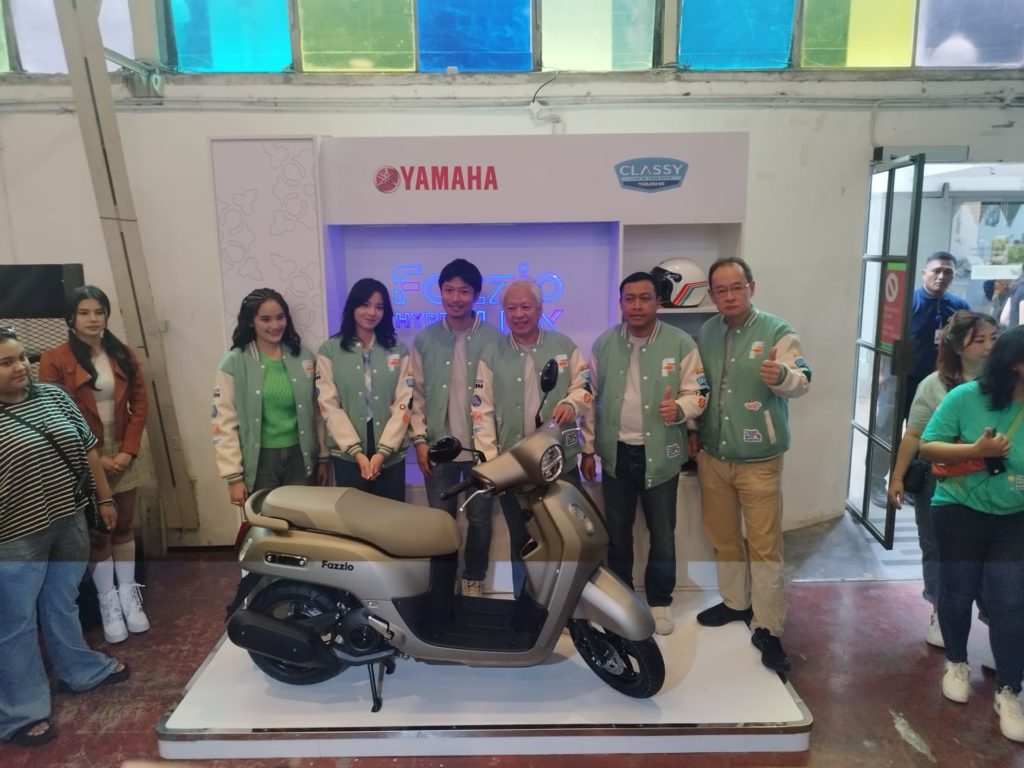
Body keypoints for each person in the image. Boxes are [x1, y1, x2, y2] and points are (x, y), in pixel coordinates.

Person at [0, 327, 130, 749]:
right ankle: (21, 711)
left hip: (67, 518)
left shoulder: (53, 396)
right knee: (15, 622)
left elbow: (88, 449)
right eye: (6, 362)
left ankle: (79, 670)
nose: (20, 367)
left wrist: (104, 499)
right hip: (12, 535)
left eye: (22, 357)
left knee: (62, 601)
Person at [691, 257, 811, 672]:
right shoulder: (707, 331)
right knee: (723, 538)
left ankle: (768, 627)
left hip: (760, 461)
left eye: (736, 287)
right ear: (711, 294)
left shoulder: (778, 331)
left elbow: (802, 380)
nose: (729, 296)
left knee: (764, 547)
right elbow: (700, 387)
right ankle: (735, 603)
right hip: (713, 456)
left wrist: (781, 376)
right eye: (721, 290)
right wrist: (693, 430)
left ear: (751, 288)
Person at [580, 271, 706, 635]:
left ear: (658, 302)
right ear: (620, 303)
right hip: (616, 454)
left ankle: (660, 600)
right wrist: (588, 449)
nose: (637, 305)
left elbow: (698, 392)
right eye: (630, 298)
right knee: (617, 534)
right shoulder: (604, 344)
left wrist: (679, 409)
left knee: (662, 533)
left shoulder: (681, 343)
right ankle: (621, 599)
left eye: (645, 298)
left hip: (661, 453)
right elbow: (589, 399)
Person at [919, 325, 1024, 743]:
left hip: (1015, 516)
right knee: (958, 590)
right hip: (959, 508)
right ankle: (957, 663)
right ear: (1016, 365)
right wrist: (976, 451)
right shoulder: (965, 397)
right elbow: (928, 446)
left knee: (1010, 600)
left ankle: (1009, 689)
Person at [38, 286, 150, 645]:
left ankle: (129, 595)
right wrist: (95, 455)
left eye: (98, 311)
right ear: (71, 318)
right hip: (82, 449)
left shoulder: (122, 353)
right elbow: (52, 412)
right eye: (84, 312)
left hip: (124, 446)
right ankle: (108, 602)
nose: (92, 319)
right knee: (99, 532)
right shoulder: (54, 359)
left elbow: (140, 403)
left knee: (125, 525)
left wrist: (128, 450)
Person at [472, 279, 593, 596]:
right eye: (511, 308)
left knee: (569, 534)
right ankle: (525, 601)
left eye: (526, 306)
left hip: (559, 461)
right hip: (513, 466)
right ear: (504, 312)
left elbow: (585, 388)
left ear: (539, 309)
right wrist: (492, 464)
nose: (519, 314)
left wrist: (571, 403)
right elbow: (481, 410)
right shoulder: (492, 353)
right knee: (523, 538)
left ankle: (570, 601)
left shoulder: (564, 346)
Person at [887, 311, 997, 648]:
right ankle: (940, 611)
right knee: (936, 547)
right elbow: (914, 435)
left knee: (992, 554)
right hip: (941, 482)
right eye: (980, 340)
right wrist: (897, 477)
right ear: (957, 346)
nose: (989, 347)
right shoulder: (933, 386)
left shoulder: (1008, 384)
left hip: (992, 483)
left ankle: (996, 624)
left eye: (994, 338)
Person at [409, 258, 502, 597]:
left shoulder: (494, 339)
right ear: (440, 292)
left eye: (464, 291)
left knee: (480, 519)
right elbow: (417, 395)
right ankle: (442, 585)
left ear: (475, 295)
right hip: (439, 450)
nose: (455, 297)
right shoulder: (425, 340)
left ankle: (474, 579)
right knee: (440, 522)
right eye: (449, 290)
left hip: (481, 451)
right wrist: (420, 441)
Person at [212, 288, 328, 514]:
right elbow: (223, 421)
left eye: (280, 317)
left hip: (301, 458)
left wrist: (323, 457)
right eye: (265, 319)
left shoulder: (303, 357)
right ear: (251, 321)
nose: (275, 325)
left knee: (301, 521)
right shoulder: (234, 363)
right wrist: (233, 477)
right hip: (260, 462)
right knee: (265, 523)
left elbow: (318, 412)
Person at [871, 252, 970, 507]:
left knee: (925, 434)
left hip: (936, 384)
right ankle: (875, 483)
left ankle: (911, 484)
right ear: (924, 273)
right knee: (887, 430)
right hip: (901, 379)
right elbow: (887, 337)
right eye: (937, 270)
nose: (941, 276)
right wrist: (882, 374)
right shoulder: (907, 302)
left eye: (948, 272)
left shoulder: (959, 307)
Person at [317, 278, 412, 501]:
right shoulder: (330, 350)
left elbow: (404, 401)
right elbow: (329, 405)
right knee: (353, 517)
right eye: (365, 305)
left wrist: (383, 452)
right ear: (353, 307)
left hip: (390, 454)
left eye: (379, 307)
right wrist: (357, 453)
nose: (372, 312)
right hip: (347, 455)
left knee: (391, 516)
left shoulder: (398, 349)